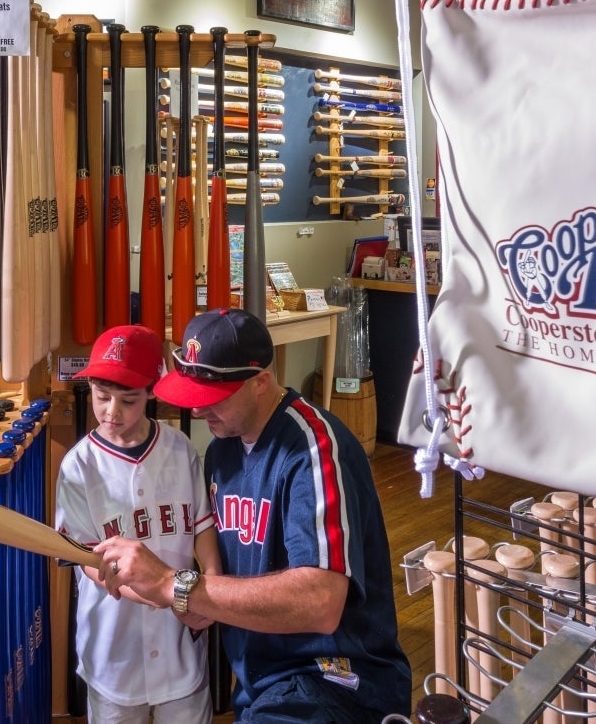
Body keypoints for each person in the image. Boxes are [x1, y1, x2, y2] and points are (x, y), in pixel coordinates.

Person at [94, 308, 412, 724]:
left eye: (212, 399)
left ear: (260, 382)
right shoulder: (221, 453)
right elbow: (224, 576)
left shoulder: (313, 449)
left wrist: (175, 584)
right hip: (261, 681)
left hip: (333, 680)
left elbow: (321, 601)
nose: (199, 412)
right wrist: (196, 599)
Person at [54, 323, 222, 724]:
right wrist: (167, 594)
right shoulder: (78, 466)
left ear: (152, 390)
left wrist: (211, 587)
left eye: (128, 400)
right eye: (101, 397)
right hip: (113, 649)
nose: (112, 411)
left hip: (180, 645)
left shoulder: (180, 449)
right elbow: (86, 561)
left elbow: (201, 528)